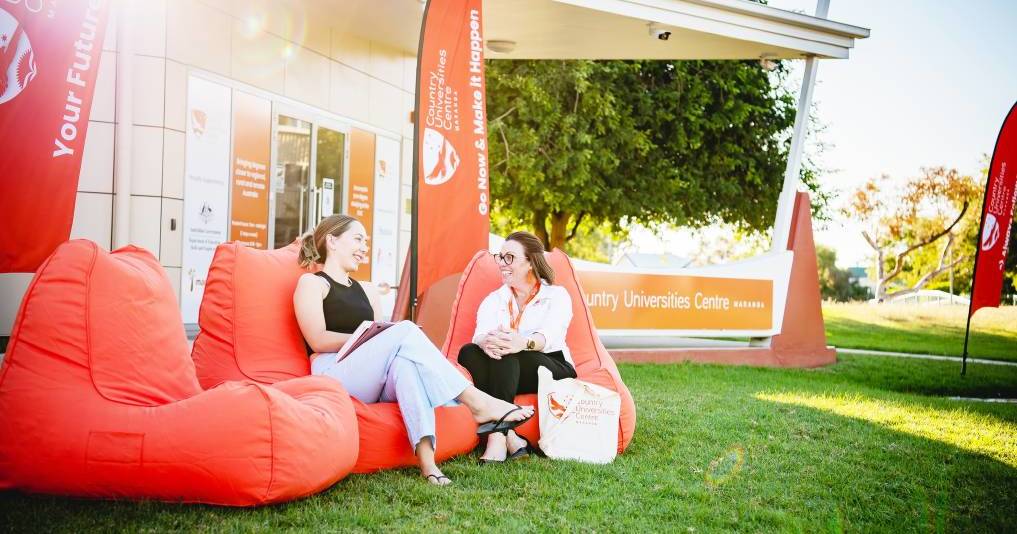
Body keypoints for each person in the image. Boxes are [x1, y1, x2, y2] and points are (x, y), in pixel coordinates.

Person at [293, 214, 534, 486]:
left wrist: (383, 337)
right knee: (404, 329)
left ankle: (428, 465)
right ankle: (476, 402)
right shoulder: (313, 283)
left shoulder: (369, 290)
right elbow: (317, 340)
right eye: (358, 239)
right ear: (333, 241)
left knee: (405, 365)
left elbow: (384, 341)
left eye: (366, 242)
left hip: (372, 376)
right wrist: (370, 338)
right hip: (333, 371)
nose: (364, 247)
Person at [457, 231, 577, 463]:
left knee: (511, 352)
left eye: (509, 257)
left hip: (551, 365)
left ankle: (496, 437)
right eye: (499, 257)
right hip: (509, 364)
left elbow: (548, 337)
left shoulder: (556, 295)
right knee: (468, 352)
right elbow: (480, 335)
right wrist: (486, 343)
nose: (501, 263)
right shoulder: (495, 299)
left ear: (530, 262)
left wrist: (521, 342)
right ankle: (510, 436)